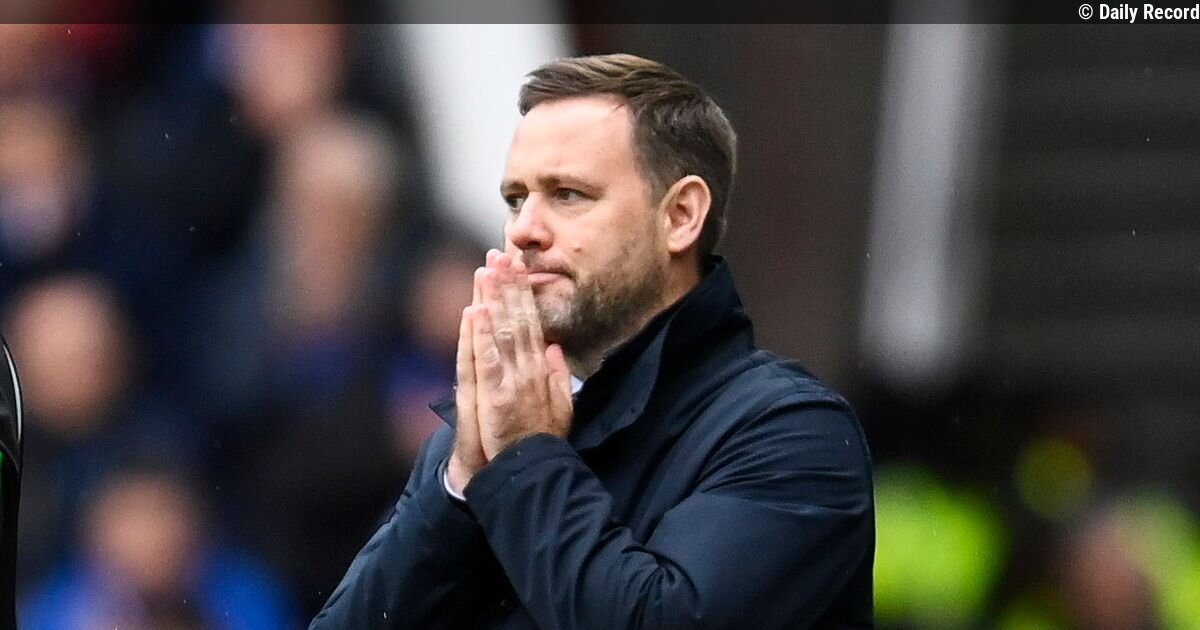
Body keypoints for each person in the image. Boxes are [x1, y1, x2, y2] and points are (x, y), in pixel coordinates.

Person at [311, 53, 874, 629]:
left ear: (681, 216)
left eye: (567, 194)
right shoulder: (481, 439)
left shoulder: (791, 433)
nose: (523, 229)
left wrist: (526, 460)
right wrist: (457, 488)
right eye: (515, 198)